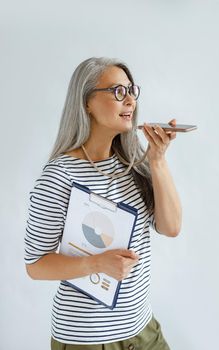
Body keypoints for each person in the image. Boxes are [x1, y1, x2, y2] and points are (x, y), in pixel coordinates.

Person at [24, 57, 182, 350]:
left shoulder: (133, 165)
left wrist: (157, 160)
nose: (130, 101)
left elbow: (171, 227)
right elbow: (35, 265)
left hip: (143, 331)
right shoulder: (59, 175)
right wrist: (96, 263)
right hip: (87, 340)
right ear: (86, 103)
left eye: (132, 91)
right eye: (117, 91)